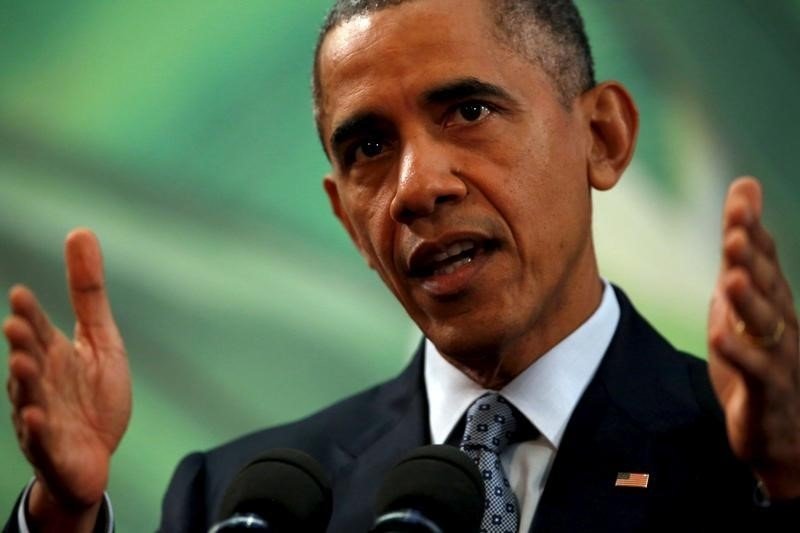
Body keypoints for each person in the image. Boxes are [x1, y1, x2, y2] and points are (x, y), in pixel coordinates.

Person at [4, 0, 799, 531]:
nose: (416, 188)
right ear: (346, 217)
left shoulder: (754, 461)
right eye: (369, 148)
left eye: (469, 111)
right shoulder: (237, 497)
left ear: (603, 137)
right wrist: (63, 520)